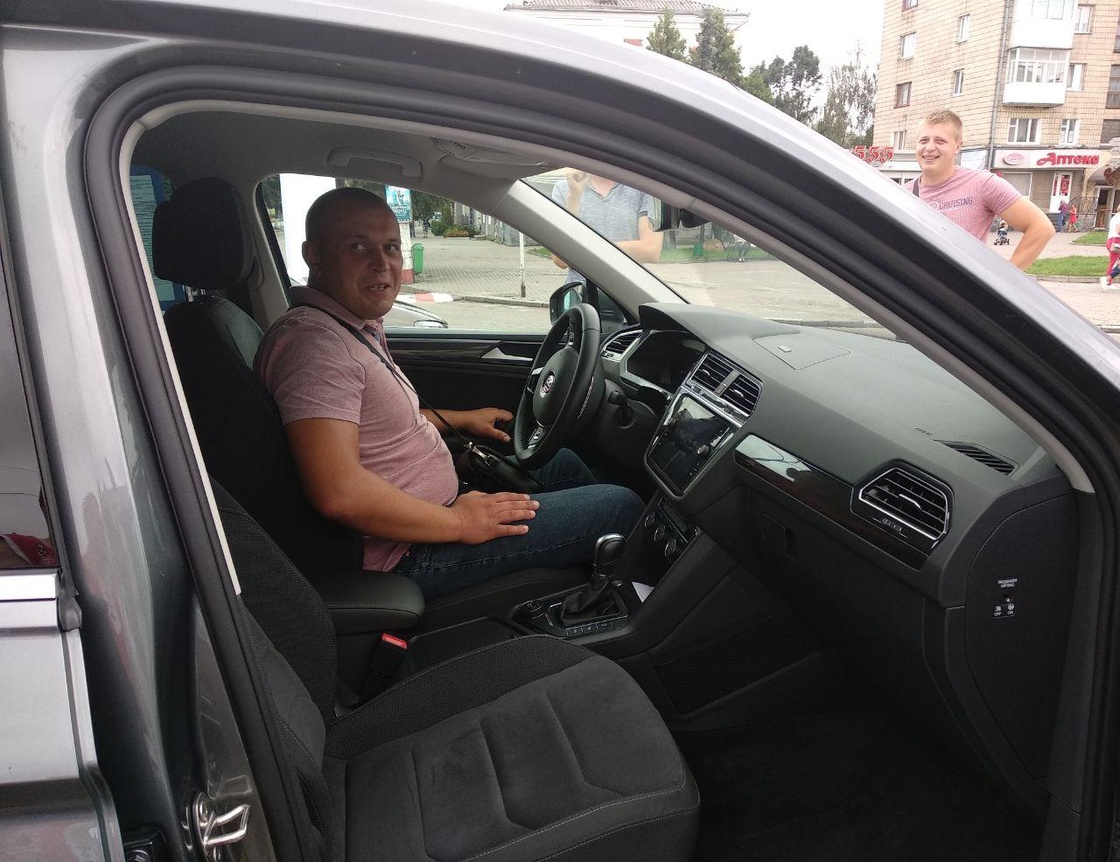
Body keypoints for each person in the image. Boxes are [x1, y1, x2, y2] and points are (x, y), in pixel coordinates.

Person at [255, 187, 643, 599]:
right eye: (358, 247)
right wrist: (461, 523)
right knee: (619, 507)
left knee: (562, 462)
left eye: (391, 247)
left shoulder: (348, 325)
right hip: (409, 552)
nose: (382, 264)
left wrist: (461, 420)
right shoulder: (315, 348)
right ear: (314, 256)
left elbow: (364, 422)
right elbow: (339, 492)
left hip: (433, 514)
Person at [908, 110, 1054, 270]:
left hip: (961, 285)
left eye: (940, 141)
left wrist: (1004, 279)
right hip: (915, 283)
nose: (929, 147)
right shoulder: (903, 193)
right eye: (923, 140)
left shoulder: (982, 184)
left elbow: (1041, 228)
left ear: (957, 146)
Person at [550, 170, 662, 280]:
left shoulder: (642, 189)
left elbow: (650, 250)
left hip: (628, 288)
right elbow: (561, 260)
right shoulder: (565, 188)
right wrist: (574, 198)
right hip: (580, 289)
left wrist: (580, 250)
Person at [1106, 205, 1120, 286]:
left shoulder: (1115, 216)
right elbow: (1118, 230)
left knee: (1114, 261)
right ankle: (1109, 280)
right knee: (1114, 262)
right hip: (1116, 241)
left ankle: (1109, 279)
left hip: (1111, 240)